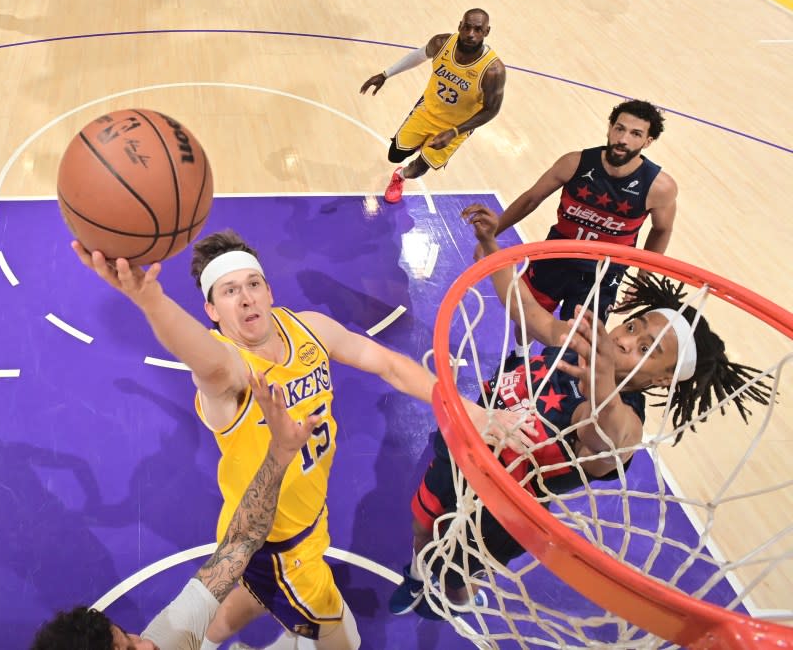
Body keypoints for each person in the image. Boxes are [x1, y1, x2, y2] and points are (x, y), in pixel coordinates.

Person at [71, 232, 532, 650]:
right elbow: (208, 365)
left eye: (253, 284)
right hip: (278, 542)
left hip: (286, 518)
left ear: (270, 291)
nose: (246, 299)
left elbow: (390, 365)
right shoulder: (232, 371)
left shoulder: (307, 327)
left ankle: (204, 642)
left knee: (254, 594)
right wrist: (152, 302)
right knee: (343, 641)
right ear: (211, 311)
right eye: (229, 292)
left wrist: (473, 412)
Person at [387, 203, 768, 620]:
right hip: (466, 451)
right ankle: (418, 576)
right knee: (422, 524)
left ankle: (456, 600)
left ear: (664, 379)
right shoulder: (579, 341)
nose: (627, 340)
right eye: (634, 326)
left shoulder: (626, 419)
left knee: (460, 572)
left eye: (647, 349)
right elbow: (526, 310)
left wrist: (602, 379)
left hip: (504, 507)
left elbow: (608, 440)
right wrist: (490, 245)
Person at [32, 371, 317, 650]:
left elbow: (240, 542)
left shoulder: (168, 636)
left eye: (128, 636)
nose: (145, 644)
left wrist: (281, 452)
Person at [491, 100, 678, 357]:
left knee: (581, 340)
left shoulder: (659, 187)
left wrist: (643, 279)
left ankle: (554, 380)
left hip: (602, 274)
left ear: (648, 141)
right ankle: (520, 355)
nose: (623, 139)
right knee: (527, 318)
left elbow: (662, 230)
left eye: (635, 134)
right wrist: (492, 233)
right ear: (610, 127)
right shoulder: (574, 163)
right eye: (619, 128)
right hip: (554, 258)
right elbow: (531, 198)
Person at [359, 8, 507, 204]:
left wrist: (454, 132)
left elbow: (492, 109)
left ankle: (400, 177)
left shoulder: (493, 71)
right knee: (395, 155)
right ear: (460, 26)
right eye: (468, 27)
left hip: (456, 127)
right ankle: (422, 145)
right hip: (427, 110)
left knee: (419, 168)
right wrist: (385, 74)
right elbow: (418, 56)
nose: (471, 34)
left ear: (487, 31)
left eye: (478, 29)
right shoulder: (441, 43)